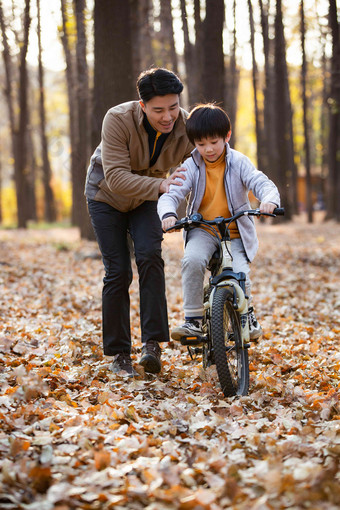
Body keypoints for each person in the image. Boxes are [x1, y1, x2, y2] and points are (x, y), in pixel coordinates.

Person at [85, 68, 193, 377]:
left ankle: (152, 345)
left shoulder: (185, 125)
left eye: (173, 107)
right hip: (106, 196)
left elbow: (206, 160)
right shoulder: (117, 119)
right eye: (158, 110)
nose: (168, 116)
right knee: (118, 271)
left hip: (147, 198)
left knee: (149, 256)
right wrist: (161, 186)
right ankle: (120, 354)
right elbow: (117, 177)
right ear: (142, 105)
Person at [157, 103, 280, 341]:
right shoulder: (192, 165)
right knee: (192, 260)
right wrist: (168, 214)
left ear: (227, 136)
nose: (208, 149)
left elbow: (261, 183)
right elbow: (172, 194)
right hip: (203, 229)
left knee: (240, 273)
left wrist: (269, 201)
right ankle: (192, 320)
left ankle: (247, 317)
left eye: (214, 142)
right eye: (201, 144)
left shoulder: (239, 162)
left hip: (234, 232)